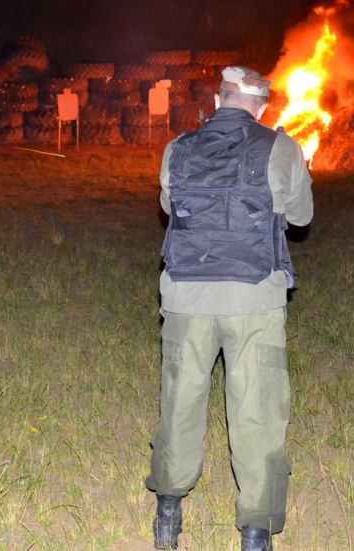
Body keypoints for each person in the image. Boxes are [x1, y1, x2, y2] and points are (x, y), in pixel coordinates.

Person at [146, 66, 313, 551]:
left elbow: (168, 206)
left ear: (218, 101)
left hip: (186, 299)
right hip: (253, 299)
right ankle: (256, 534)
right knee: (257, 411)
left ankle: (168, 515)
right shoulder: (281, 147)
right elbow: (301, 217)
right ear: (261, 107)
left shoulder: (178, 147)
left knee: (180, 403)